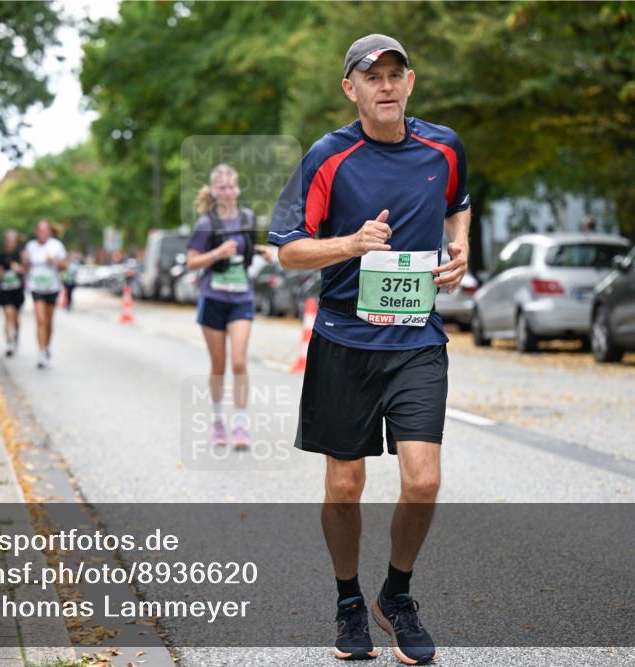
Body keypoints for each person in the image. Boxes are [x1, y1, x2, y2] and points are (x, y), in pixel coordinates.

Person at [269, 35, 471, 663]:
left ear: (410, 82)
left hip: (416, 341)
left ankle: (398, 595)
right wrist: (351, 244)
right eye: (371, 75)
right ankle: (349, 601)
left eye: (395, 74)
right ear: (349, 88)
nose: (385, 85)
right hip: (343, 340)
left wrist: (460, 252)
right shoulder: (329, 157)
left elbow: (459, 203)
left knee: (424, 479)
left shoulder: (444, 147)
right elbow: (289, 250)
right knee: (345, 484)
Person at [186, 164, 272, 450]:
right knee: (219, 365)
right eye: (220, 187)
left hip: (241, 299)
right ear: (213, 191)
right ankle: (218, 421)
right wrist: (217, 253)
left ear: (237, 188)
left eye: (230, 186)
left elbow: (246, 248)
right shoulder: (205, 224)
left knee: (238, 362)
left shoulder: (247, 217)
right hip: (213, 300)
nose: (226, 191)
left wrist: (259, 251)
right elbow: (192, 261)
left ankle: (241, 426)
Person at [24, 219, 68, 368]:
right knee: (40, 319)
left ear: (49, 232)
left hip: (52, 287)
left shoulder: (56, 246)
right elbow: (25, 267)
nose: (41, 233)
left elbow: (64, 266)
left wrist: (54, 261)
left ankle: (47, 345)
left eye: (44, 230)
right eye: (39, 230)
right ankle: (41, 353)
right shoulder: (30, 246)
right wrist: (23, 262)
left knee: (48, 321)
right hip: (36, 287)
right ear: (36, 232)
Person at [0, 230, 27, 357]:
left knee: (15, 318)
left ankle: (15, 335)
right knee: (8, 315)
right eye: (8, 240)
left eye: (12, 240)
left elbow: (26, 269)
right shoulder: (0, 255)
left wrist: (19, 269)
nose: (10, 242)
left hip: (17, 290)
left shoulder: (20, 254)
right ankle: (9, 342)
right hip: (5, 289)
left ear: (16, 241)